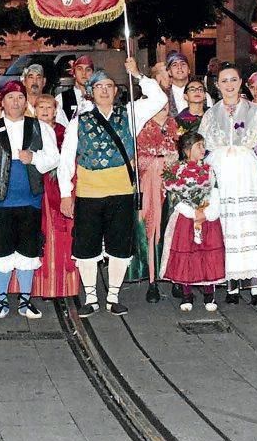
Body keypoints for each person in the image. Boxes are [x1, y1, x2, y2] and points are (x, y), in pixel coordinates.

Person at [58, 59, 165, 316]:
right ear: (91, 92)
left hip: (121, 191)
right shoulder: (78, 122)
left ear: (116, 91)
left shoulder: (130, 114)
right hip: (89, 192)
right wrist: (64, 194)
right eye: (99, 87)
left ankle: (114, 295)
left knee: (119, 245)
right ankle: (91, 297)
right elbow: (66, 159)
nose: (104, 91)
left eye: (109, 86)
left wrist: (138, 74)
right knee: (86, 246)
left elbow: (159, 98)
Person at [0, 80, 60, 319]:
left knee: (28, 252)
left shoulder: (40, 127)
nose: (16, 102)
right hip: (1, 202)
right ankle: (1, 300)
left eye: (20, 98)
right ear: (2, 101)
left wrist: (34, 157)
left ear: (25, 101)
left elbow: (53, 158)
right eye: (10, 98)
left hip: (30, 200)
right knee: (0, 252)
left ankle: (25, 300)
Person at [200, 64, 257, 304]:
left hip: (248, 172)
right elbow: (203, 150)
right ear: (217, 85)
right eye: (224, 81)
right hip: (221, 173)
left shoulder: (255, 111)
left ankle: (255, 285)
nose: (229, 85)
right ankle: (231, 285)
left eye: (233, 79)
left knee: (248, 225)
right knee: (226, 225)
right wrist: (203, 183)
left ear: (241, 82)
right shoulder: (210, 114)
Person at [159, 132, 224, 313]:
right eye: (199, 146)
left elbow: (216, 192)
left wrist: (208, 212)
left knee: (208, 253)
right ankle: (186, 294)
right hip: (186, 219)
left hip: (207, 218)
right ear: (187, 150)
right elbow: (175, 197)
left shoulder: (209, 169)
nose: (203, 150)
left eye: (204, 145)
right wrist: (192, 212)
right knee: (188, 254)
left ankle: (209, 293)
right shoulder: (176, 171)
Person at [134, 62, 179, 301]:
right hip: (150, 181)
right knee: (151, 228)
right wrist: (156, 162)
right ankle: (152, 279)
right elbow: (138, 155)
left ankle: (174, 275)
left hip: (171, 183)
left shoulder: (173, 123)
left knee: (174, 226)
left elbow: (178, 151)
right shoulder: (142, 118)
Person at [30, 95, 78, 299]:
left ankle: (65, 286)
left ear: (56, 110)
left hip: (60, 188)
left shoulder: (63, 131)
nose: (45, 111)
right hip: (37, 188)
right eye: (41, 107)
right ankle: (41, 286)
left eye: (49, 107)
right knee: (40, 233)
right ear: (34, 109)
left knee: (63, 235)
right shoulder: (29, 130)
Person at [165, 51, 214, 116]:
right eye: (174, 65)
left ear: (189, 70)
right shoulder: (163, 96)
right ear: (169, 72)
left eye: (183, 64)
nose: (179, 67)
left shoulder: (203, 95)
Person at [56, 55, 95, 126]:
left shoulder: (99, 97)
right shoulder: (62, 99)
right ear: (74, 73)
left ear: (93, 73)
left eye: (88, 69)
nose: (84, 73)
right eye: (80, 69)